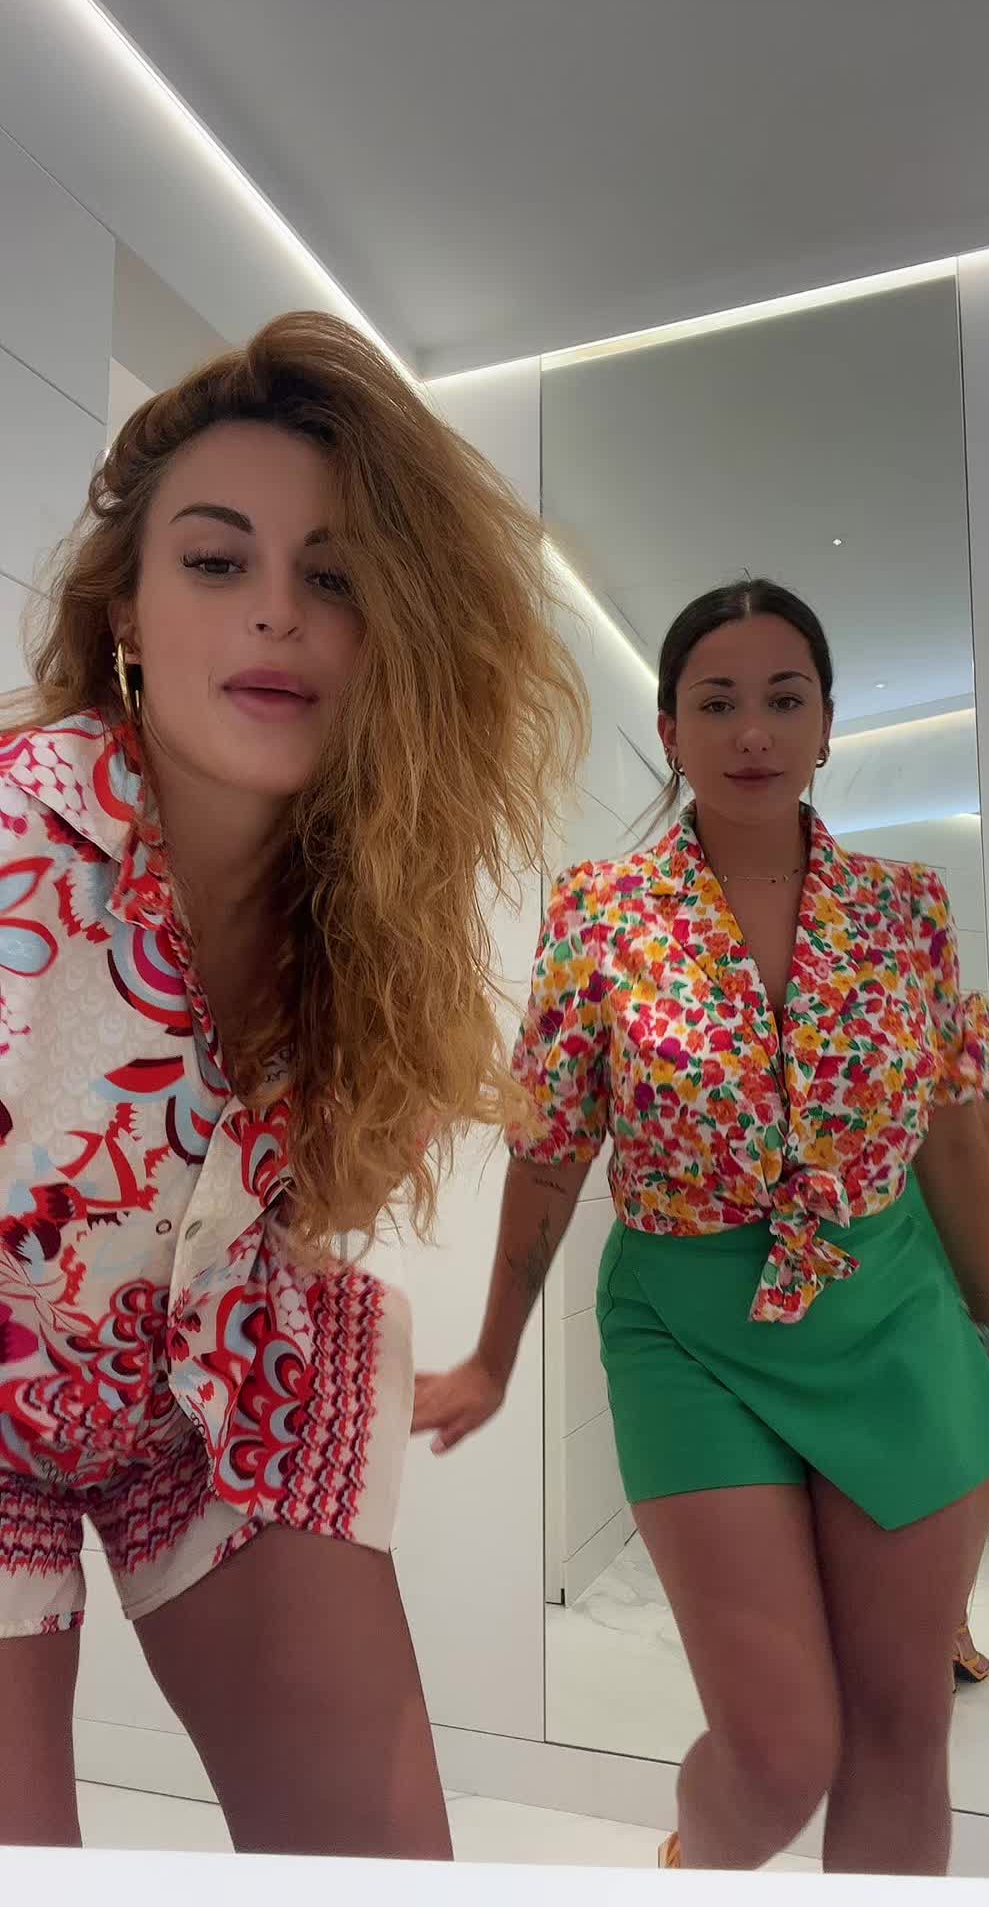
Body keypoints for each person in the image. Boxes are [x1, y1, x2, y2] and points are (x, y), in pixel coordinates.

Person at [0, 311, 583, 1854]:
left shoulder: (367, 911)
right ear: (126, 613)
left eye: (333, 579)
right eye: (216, 561)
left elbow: (264, 1201)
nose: (277, 612)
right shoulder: (13, 842)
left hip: (207, 1374)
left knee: (384, 1863)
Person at [414, 578, 989, 1878]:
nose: (754, 730)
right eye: (717, 703)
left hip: (893, 1312)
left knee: (904, 1728)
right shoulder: (601, 913)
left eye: (785, 698)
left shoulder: (907, 909)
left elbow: (954, 1131)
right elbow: (551, 1151)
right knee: (780, 1751)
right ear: (670, 729)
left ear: (828, 724)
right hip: (687, 1327)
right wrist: (492, 1357)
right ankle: (694, 1869)